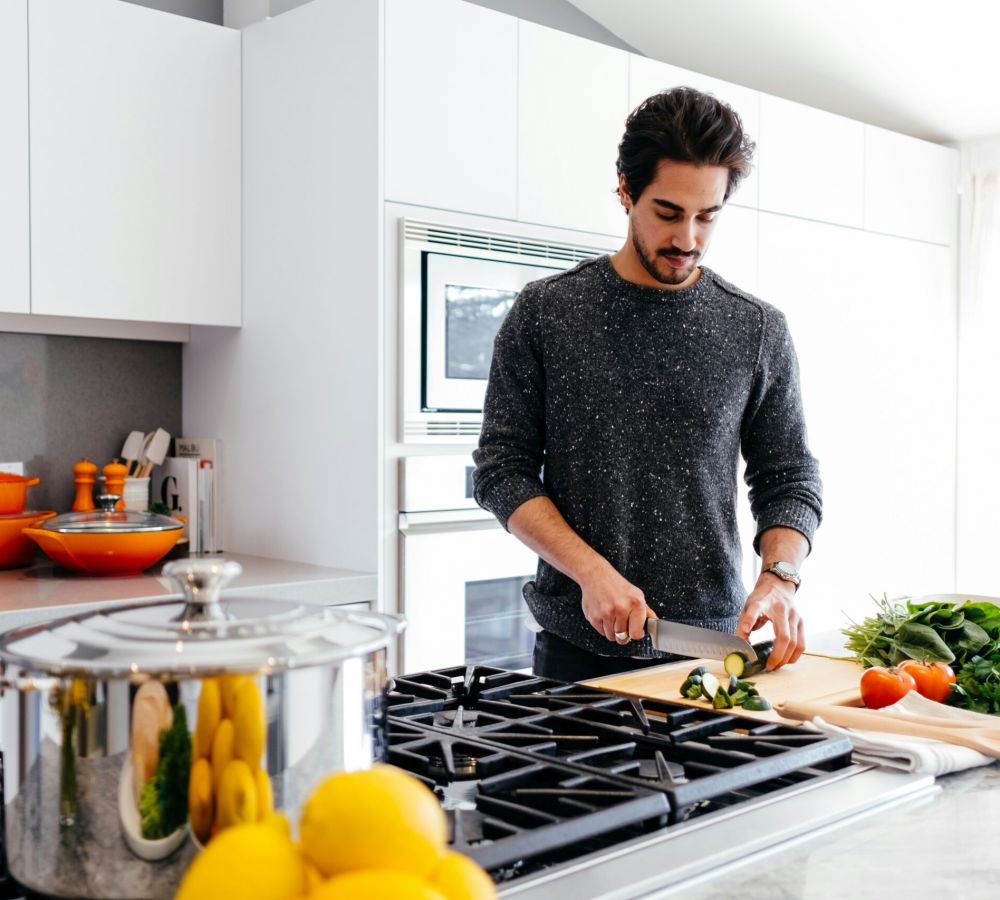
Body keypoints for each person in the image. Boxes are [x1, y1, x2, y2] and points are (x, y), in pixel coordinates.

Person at [471, 86, 823, 683]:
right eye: (668, 212)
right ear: (626, 190)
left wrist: (779, 575)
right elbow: (501, 471)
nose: (687, 237)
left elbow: (789, 476)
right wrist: (590, 572)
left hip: (712, 651)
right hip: (576, 654)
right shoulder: (547, 312)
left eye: (707, 215)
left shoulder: (757, 328)